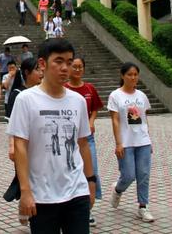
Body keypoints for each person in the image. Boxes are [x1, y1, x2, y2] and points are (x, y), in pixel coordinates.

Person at [8, 39, 96, 233]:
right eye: (58, 61)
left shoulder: (78, 101)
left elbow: (83, 143)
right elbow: (20, 147)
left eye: (69, 62)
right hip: (42, 196)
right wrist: (25, 191)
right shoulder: (25, 100)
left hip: (77, 191)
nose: (65, 68)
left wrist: (91, 181)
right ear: (42, 63)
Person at [108, 62, 155, 223]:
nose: (133, 77)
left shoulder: (141, 95)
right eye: (129, 74)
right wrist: (118, 143)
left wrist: (149, 139)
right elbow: (115, 120)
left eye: (135, 74)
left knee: (144, 175)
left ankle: (143, 207)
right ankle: (117, 189)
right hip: (125, 142)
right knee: (128, 175)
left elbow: (144, 118)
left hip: (143, 141)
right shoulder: (115, 95)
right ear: (122, 76)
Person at [65, 57, 104, 227]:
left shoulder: (89, 88)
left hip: (87, 138)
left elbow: (94, 108)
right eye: (74, 66)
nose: (77, 70)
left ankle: (88, 209)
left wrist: (91, 121)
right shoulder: (64, 89)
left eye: (80, 67)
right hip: (69, 137)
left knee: (92, 170)